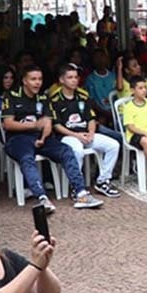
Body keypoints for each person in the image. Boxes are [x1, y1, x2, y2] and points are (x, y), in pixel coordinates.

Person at [3, 65, 103, 213]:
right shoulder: (11, 96)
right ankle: (42, 197)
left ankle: (81, 193)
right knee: (27, 158)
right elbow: (8, 124)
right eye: (33, 79)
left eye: (40, 79)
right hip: (18, 139)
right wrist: (35, 125)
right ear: (24, 81)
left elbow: (48, 123)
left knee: (67, 152)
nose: (37, 82)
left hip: (42, 137)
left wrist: (43, 138)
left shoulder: (44, 97)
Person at [50, 65, 121, 198]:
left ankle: (103, 181)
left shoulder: (83, 95)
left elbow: (91, 119)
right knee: (77, 149)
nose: (74, 80)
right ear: (61, 80)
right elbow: (56, 125)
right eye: (70, 77)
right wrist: (76, 135)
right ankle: (76, 186)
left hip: (86, 134)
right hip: (67, 136)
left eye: (76, 77)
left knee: (113, 145)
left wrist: (91, 133)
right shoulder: (55, 99)